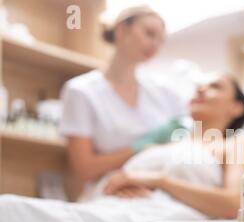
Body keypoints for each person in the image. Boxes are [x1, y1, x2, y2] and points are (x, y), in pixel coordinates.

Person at [0, 75, 244, 222]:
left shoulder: (233, 143)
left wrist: (159, 181)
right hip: (113, 208)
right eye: (199, 84)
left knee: (12, 213)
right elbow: (116, 178)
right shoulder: (166, 143)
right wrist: (122, 183)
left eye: (215, 86)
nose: (200, 88)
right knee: (10, 211)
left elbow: (233, 204)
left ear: (237, 108)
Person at [60, 5, 186, 196]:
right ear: (121, 30)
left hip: (158, 190)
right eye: (149, 33)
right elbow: (85, 169)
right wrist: (141, 146)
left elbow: (186, 146)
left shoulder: (165, 93)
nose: (155, 44)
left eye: (160, 40)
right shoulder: (81, 91)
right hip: (109, 190)